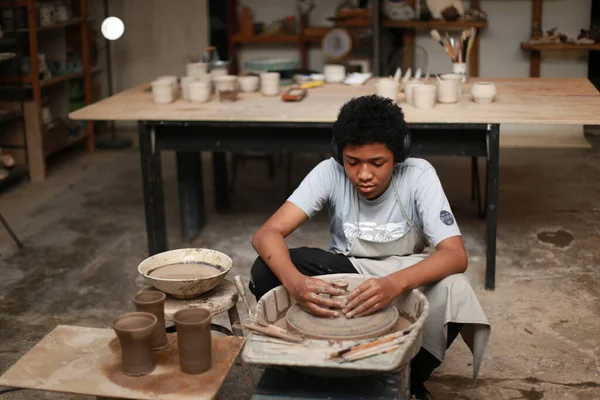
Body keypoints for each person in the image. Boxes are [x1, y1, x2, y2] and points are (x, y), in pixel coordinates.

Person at [248, 95, 490, 399]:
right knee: (266, 268)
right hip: (349, 268)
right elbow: (267, 234)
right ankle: (309, 366)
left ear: (398, 155)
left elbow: (455, 254)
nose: (363, 174)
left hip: (404, 270)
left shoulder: (419, 175)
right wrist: (296, 284)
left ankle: (409, 376)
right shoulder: (329, 172)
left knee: (457, 288)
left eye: (377, 163)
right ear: (340, 155)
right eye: (353, 162)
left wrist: (393, 285)